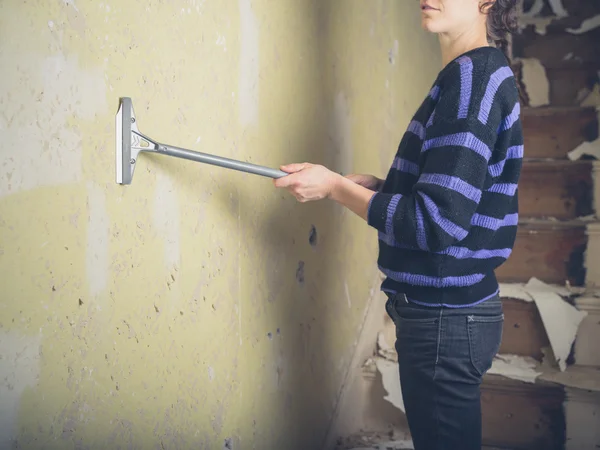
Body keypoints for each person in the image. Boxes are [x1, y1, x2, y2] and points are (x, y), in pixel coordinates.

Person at [274, 0, 522, 449]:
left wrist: (334, 188)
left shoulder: (474, 79)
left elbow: (435, 223)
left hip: (445, 318)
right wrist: (381, 187)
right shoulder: (476, 75)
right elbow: (455, 198)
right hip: (451, 313)